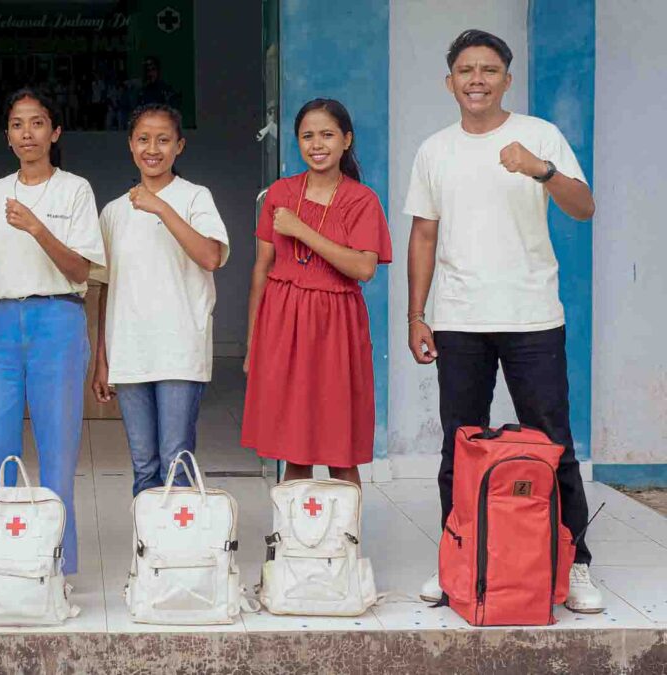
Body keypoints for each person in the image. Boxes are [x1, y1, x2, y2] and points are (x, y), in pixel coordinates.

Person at [404, 29, 602, 613]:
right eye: (466, 70)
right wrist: (418, 314)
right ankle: (457, 561)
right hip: (459, 319)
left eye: (489, 69)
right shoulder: (434, 150)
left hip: (533, 317)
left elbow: (584, 207)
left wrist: (541, 170)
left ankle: (576, 561)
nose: (477, 79)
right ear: (450, 82)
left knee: (553, 442)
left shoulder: (539, 135)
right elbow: (423, 232)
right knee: (460, 444)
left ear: (507, 79)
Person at [0, 88, 106, 575]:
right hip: (0, 324)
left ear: (55, 131)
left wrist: (38, 228)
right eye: (18, 124)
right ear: (7, 136)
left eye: (38, 123)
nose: (28, 133)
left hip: (58, 319)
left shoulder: (75, 190)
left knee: (57, 449)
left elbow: (82, 270)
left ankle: (57, 567)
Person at [242, 98, 392, 486]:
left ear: (346, 140)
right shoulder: (280, 193)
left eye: (327, 134)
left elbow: (363, 267)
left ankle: (345, 542)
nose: (317, 144)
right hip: (283, 322)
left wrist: (301, 230)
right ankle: (294, 542)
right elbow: (262, 268)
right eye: (307, 136)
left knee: (339, 450)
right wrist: (252, 341)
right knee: (294, 449)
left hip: (336, 327)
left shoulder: (362, 200)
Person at [91, 103, 229, 496]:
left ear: (179, 146)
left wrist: (161, 208)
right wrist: (102, 359)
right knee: (143, 464)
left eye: (164, 140)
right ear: (130, 145)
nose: (153, 148)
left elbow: (210, 256)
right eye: (144, 139)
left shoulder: (194, 197)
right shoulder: (114, 212)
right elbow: (104, 288)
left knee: (176, 460)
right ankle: (149, 552)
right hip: (130, 352)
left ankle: (181, 552)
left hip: (179, 351)